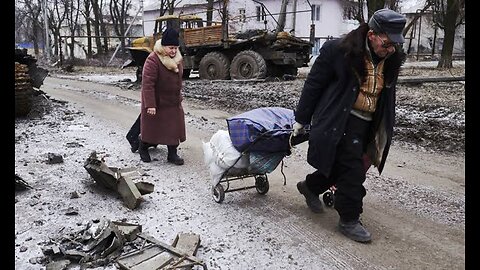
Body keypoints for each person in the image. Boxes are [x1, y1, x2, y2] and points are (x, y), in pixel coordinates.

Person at [292, 8, 406, 243]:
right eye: (386, 44)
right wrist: (301, 119)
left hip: (369, 123)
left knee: (340, 166)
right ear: (372, 34)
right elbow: (314, 84)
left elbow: (386, 96)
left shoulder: (391, 58)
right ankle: (349, 219)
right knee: (353, 170)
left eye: (394, 45)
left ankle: (311, 187)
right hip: (339, 120)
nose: (390, 49)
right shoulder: (339, 51)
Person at [137, 27, 186, 165]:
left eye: (176, 48)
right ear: (163, 46)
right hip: (157, 102)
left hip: (173, 101)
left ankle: (172, 154)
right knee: (153, 130)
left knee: (174, 129)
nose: (174, 51)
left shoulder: (177, 59)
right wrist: (150, 104)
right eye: (171, 47)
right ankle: (143, 146)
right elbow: (147, 84)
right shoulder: (153, 60)